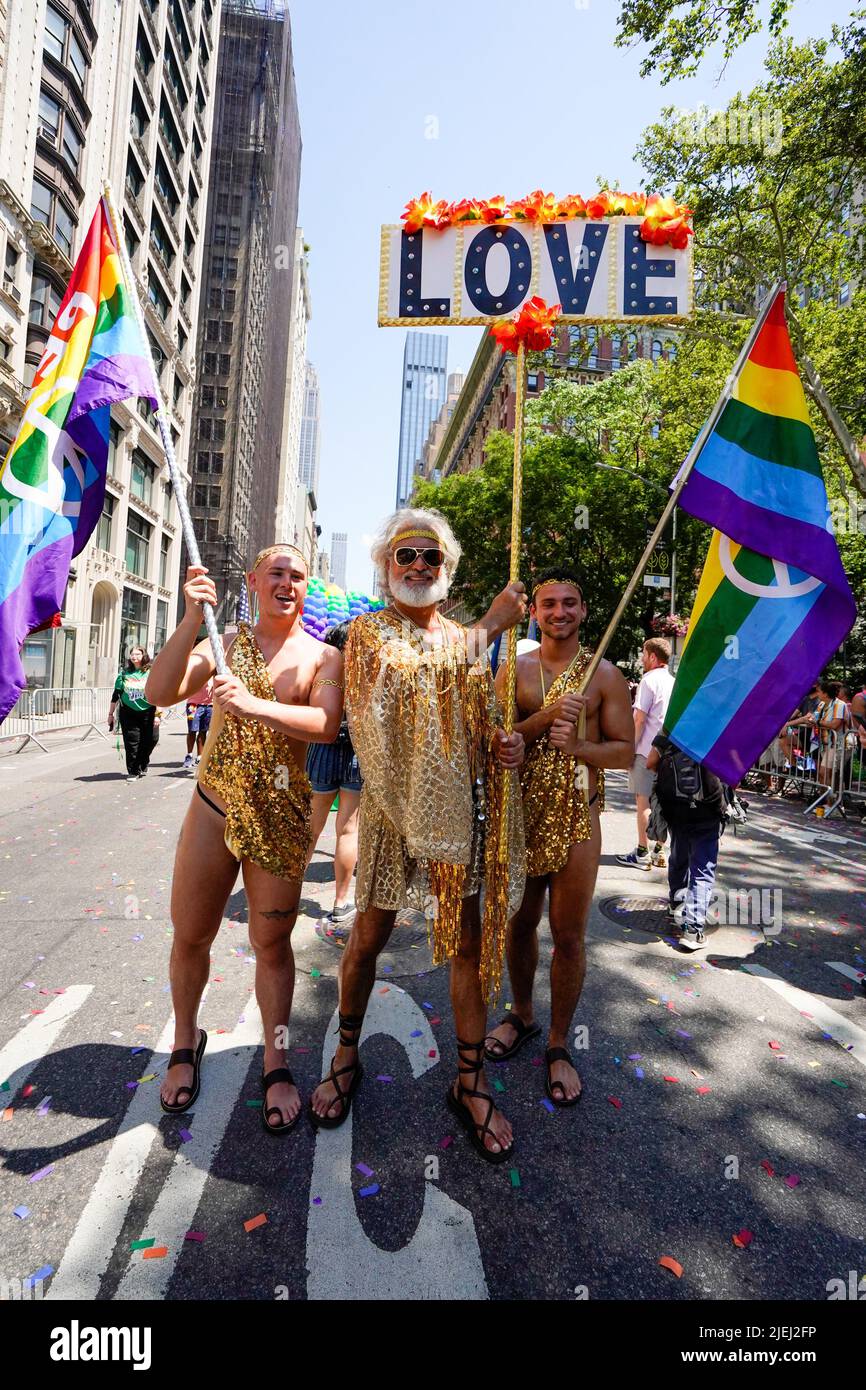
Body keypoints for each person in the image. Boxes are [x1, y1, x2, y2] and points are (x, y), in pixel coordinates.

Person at [309, 508, 527, 1163]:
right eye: (406, 555)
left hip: (453, 817)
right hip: (388, 813)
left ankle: (469, 1080)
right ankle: (345, 1052)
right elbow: (403, 687)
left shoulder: (465, 638)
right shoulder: (369, 636)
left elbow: (478, 718)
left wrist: (501, 742)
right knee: (369, 939)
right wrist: (491, 625)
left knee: (464, 943)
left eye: (431, 557)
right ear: (385, 566)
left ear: (446, 570)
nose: (418, 566)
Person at [145, 546, 343, 1135]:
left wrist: (254, 705)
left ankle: (276, 1059)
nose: (286, 583)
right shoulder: (219, 641)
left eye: (297, 576)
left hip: (281, 812)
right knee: (191, 934)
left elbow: (326, 725)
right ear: (254, 581)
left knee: (272, 943)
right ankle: (186, 1042)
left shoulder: (323, 656)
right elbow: (159, 692)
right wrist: (188, 618)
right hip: (214, 806)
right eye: (276, 574)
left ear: (307, 588)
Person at [484, 571, 634, 1104]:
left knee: (568, 934)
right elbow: (494, 738)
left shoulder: (606, 676)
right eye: (548, 604)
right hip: (522, 816)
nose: (559, 612)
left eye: (570, 603)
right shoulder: (515, 670)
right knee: (520, 925)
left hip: (578, 819)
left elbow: (623, 753)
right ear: (535, 614)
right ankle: (522, 1014)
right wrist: (533, 726)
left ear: (584, 611)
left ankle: (558, 1042)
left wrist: (579, 750)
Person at [646, 734, 727, 951]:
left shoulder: (672, 727)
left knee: (678, 851)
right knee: (702, 866)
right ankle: (692, 930)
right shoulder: (721, 726)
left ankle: (676, 901)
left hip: (675, 805)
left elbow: (650, 762)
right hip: (708, 806)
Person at [305, 621, 362, 924]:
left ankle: (284, 894)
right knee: (348, 829)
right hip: (357, 753)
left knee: (311, 828)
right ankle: (341, 902)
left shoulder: (324, 670)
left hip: (323, 750)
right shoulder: (366, 676)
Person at [616, 637, 674, 870]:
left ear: (652, 656)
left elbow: (639, 719)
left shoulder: (648, 681)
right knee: (663, 802)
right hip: (667, 751)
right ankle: (660, 850)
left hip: (645, 750)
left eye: (643, 653)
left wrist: (628, 748)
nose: (641, 658)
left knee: (643, 801)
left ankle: (642, 851)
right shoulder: (673, 681)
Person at [108, 647, 156, 781]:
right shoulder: (124, 674)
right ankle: (133, 770)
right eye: (132, 654)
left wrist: (158, 714)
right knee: (132, 742)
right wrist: (110, 714)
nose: (134, 656)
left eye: (137, 654)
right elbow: (115, 695)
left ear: (143, 655)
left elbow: (158, 693)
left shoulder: (151, 672)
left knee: (149, 740)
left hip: (148, 711)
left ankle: (142, 763)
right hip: (128, 712)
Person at [182, 679, 213, 771]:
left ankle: (200, 757)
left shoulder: (215, 670)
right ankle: (189, 755)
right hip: (193, 704)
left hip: (210, 705)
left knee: (203, 731)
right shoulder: (198, 669)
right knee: (192, 730)